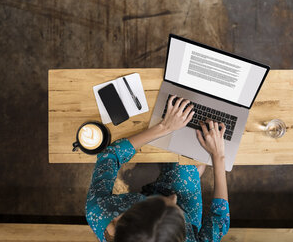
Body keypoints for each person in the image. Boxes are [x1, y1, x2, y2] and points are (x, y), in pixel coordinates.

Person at [86, 95, 230, 242]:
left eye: (159, 202)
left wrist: (164, 127)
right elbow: (220, 220)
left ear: (120, 217)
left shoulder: (99, 212)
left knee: (187, 164)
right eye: (175, 208)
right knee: (191, 163)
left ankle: (190, 174)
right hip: (188, 211)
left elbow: (111, 156)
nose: (174, 197)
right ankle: (194, 174)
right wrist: (218, 156)